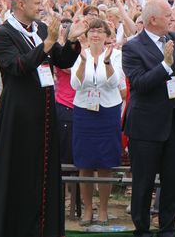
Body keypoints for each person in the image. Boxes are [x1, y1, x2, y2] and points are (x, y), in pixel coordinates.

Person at [0, 0, 86, 237]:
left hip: (45, 113)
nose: (42, 6)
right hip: (19, 114)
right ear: (21, 5)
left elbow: (63, 61)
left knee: (43, 173)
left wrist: (71, 41)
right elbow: (17, 67)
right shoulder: (3, 34)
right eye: (36, 2)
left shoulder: (42, 29)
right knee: (17, 174)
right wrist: (45, 45)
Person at [122, 0, 175, 237]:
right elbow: (140, 84)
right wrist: (166, 66)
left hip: (174, 123)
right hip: (145, 127)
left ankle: (168, 228)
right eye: (168, 15)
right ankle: (143, 229)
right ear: (153, 19)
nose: (173, 20)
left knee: (172, 182)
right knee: (143, 183)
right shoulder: (132, 47)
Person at [70, 18, 124, 226]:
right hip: (84, 111)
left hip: (108, 111)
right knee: (84, 163)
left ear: (107, 36)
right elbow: (76, 84)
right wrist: (84, 62)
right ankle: (87, 209)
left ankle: (103, 208)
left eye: (101, 31)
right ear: (87, 34)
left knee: (105, 163)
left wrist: (108, 62)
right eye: (93, 30)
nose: (96, 34)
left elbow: (113, 83)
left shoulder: (116, 55)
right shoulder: (80, 54)